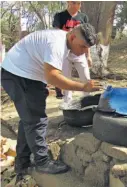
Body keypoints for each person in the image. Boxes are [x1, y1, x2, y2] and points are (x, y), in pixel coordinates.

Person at [1, 23, 101, 182]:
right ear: (73, 36)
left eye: (86, 49)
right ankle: (42, 162)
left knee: (28, 119)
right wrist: (83, 86)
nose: (83, 52)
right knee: (36, 120)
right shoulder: (56, 44)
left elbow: (49, 72)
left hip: (21, 74)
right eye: (82, 47)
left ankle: (22, 163)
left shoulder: (63, 41)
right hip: (19, 75)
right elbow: (53, 77)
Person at [53, 1, 92, 102]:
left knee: (86, 78)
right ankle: (67, 104)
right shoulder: (59, 16)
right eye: (74, 2)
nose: (77, 5)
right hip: (65, 52)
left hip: (80, 53)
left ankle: (87, 101)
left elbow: (87, 38)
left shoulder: (83, 17)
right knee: (66, 79)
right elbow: (55, 35)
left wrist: (88, 56)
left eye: (79, 3)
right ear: (68, 2)